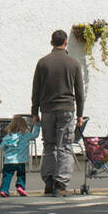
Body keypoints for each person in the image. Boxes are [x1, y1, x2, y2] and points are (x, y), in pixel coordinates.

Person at [31, 29, 85, 197]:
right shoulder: (74, 63)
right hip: (66, 109)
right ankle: (60, 183)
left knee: (49, 145)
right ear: (66, 42)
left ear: (51, 42)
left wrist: (34, 111)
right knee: (65, 146)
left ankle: (48, 180)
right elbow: (80, 92)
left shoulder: (43, 63)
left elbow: (36, 89)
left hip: (47, 110)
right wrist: (80, 115)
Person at [0, 115, 40, 197]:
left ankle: (4, 190)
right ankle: (20, 186)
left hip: (9, 161)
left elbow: (2, 147)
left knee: (7, 176)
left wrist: (7, 150)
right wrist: (37, 124)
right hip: (21, 161)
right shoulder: (26, 136)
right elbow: (35, 135)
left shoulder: (8, 137)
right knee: (21, 174)